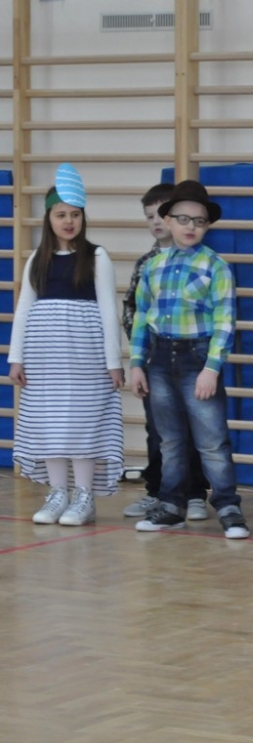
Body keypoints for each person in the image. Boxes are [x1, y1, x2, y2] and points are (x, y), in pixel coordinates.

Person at [129, 180, 250, 540]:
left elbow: (225, 322)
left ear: (207, 226)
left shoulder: (216, 267)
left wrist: (212, 368)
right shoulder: (153, 267)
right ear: (167, 221)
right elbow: (142, 316)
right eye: (182, 219)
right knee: (169, 440)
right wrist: (137, 362)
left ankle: (228, 506)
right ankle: (171, 505)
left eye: (199, 221)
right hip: (160, 358)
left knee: (212, 441)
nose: (191, 226)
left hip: (198, 357)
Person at [8, 163, 124, 525]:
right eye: (61, 215)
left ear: (83, 217)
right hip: (45, 360)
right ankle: (58, 493)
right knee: (50, 424)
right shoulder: (36, 259)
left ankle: (84, 496)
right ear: (49, 218)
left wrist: (113, 362)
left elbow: (109, 311)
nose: (69, 221)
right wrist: (16, 358)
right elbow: (24, 309)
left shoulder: (97, 257)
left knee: (82, 423)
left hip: (85, 358)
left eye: (75, 214)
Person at [121, 183, 210, 522]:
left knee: (195, 427)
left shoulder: (203, 261)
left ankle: (196, 494)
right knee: (158, 430)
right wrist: (141, 355)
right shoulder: (147, 263)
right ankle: (157, 492)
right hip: (155, 360)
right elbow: (133, 309)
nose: (157, 222)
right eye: (150, 217)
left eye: (162, 214)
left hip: (192, 359)